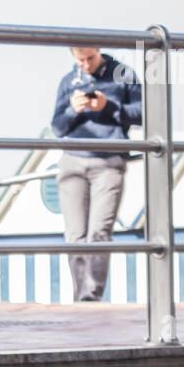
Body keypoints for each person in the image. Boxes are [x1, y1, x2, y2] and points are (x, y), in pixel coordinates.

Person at [50, 46, 143, 301]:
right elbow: (57, 128)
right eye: (80, 61)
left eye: (90, 58)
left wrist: (108, 106)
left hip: (109, 163)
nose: (86, 65)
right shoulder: (68, 82)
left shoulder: (123, 74)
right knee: (75, 236)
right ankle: (81, 297)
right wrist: (73, 109)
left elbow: (145, 113)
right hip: (72, 162)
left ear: (99, 51)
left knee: (99, 233)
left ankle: (90, 297)